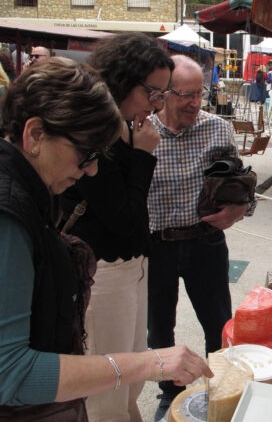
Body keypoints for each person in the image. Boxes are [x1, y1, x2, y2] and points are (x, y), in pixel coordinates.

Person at [0, 57, 211, 421]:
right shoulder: (8, 214)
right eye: (88, 154)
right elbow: (11, 373)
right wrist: (148, 362)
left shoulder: (29, 187)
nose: (92, 169)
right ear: (35, 135)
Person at [59, 33, 175, 422]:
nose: (157, 104)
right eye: (152, 92)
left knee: (131, 377)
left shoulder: (127, 123)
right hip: (103, 271)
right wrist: (143, 156)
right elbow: (126, 219)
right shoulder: (95, 129)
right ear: (124, 81)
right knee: (107, 382)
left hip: (132, 266)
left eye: (163, 94)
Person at [146, 55, 256, 420]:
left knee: (218, 322)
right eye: (185, 95)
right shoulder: (142, 132)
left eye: (200, 94)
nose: (195, 103)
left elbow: (241, 187)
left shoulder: (218, 129)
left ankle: (220, 387)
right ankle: (169, 391)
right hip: (155, 245)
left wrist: (239, 209)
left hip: (205, 243)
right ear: (163, 94)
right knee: (159, 327)